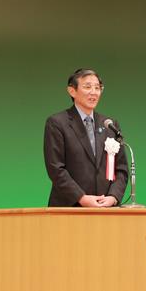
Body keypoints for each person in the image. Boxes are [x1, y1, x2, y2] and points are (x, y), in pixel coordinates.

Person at [43, 68, 128, 207]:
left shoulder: (109, 124)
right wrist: (81, 198)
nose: (93, 92)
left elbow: (121, 169)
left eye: (97, 87)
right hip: (70, 208)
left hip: (106, 210)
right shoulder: (57, 123)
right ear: (72, 91)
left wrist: (113, 197)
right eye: (87, 87)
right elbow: (56, 168)